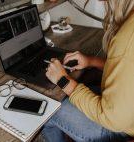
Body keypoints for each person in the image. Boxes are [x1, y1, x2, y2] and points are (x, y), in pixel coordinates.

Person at [42, 0, 134, 142]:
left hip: (122, 131)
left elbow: (113, 120)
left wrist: (63, 80)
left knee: (48, 110)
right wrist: (91, 61)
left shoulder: (129, 36)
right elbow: (127, 70)